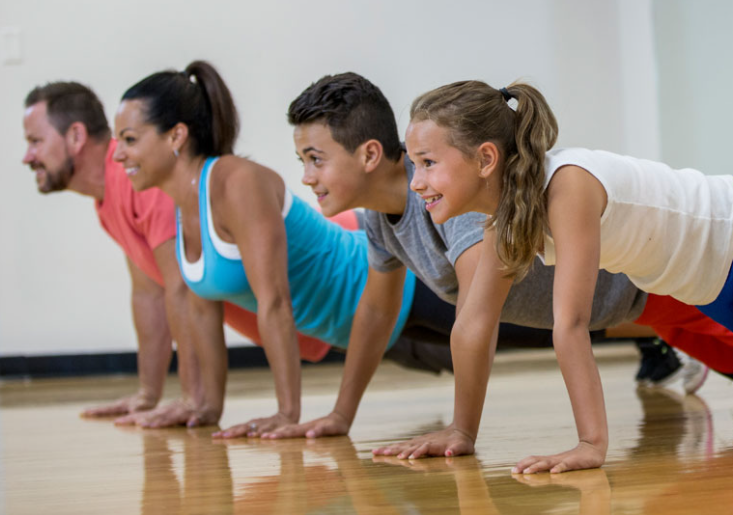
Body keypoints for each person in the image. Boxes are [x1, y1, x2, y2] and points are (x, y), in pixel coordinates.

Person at [258, 72, 708, 441]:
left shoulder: (454, 198)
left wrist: (461, 432)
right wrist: (341, 416)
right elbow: (376, 312)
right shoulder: (381, 219)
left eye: (315, 159)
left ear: (370, 154)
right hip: (646, 311)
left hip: (658, 289)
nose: (306, 177)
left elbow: (476, 321)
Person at [384, 79, 733, 473]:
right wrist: (460, 431)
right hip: (710, 284)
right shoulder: (506, 217)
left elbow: (571, 323)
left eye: (428, 163)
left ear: (485, 159)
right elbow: (474, 322)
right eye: (414, 164)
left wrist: (590, 444)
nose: (415, 182)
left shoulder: (568, 184)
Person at [112, 60, 460, 438]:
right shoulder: (184, 206)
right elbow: (201, 308)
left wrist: (286, 413)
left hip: (393, 284)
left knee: (522, 325)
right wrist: (202, 406)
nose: (117, 155)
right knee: (476, 353)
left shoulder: (236, 183)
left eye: (129, 139)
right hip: (358, 326)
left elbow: (275, 301)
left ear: (175, 136)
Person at [21, 81, 336, 426]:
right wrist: (147, 395)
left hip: (340, 282)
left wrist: (194, 398)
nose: (27, 156)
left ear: (76, 136)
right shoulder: (112, 197)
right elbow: (149, 294)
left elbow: (183, 290)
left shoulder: (143, 180)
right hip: (319, 318)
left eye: (35, 141)